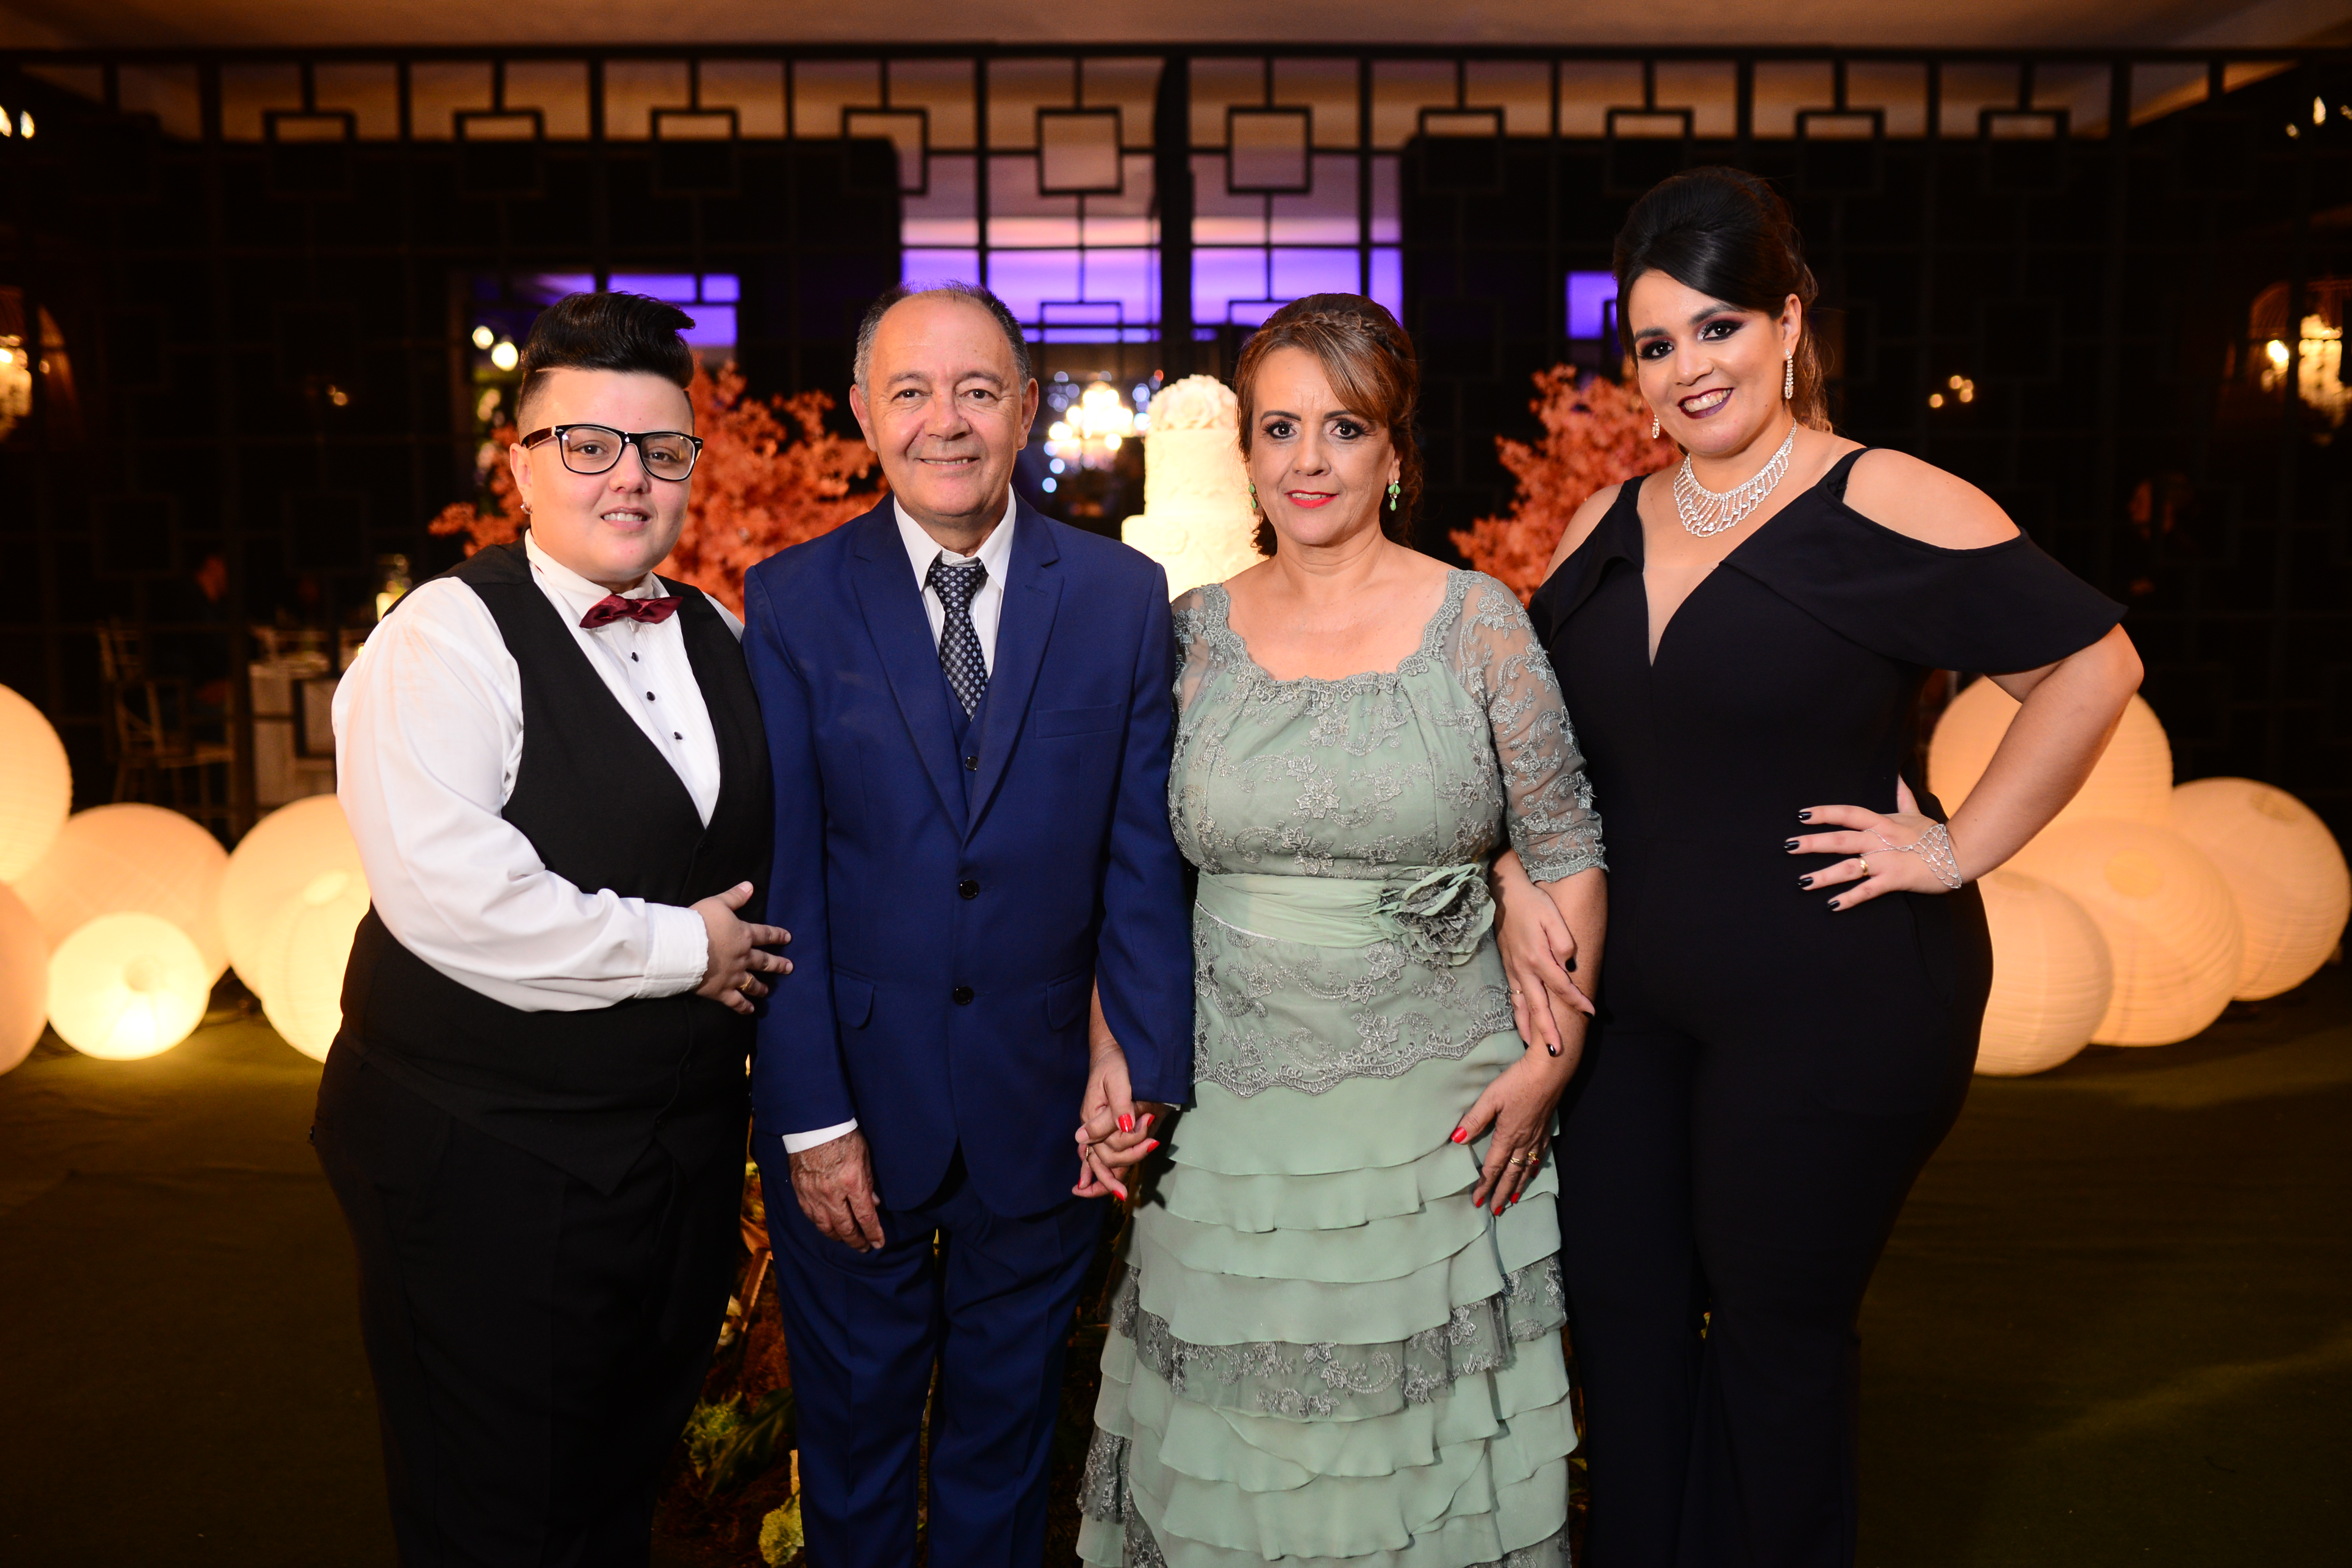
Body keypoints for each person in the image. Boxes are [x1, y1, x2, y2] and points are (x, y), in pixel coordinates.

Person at [1513, 167, 2144, 1567]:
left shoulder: (1886, 496)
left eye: (1720, 327)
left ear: (1790, 323)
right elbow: (1536, 743)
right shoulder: (1605, 523)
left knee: (1774, 1336)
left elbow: (2095, 666)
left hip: (1833, 999)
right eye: (1658, 343)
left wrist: (1960, 844)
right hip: (1625, 1009)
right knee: (1621, 1322)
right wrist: (1511, 875)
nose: (1689, 368)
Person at [1075, 294, 1608, 1568]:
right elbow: (1130, 875)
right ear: (1248, 453)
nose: (1308, 459)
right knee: (1239, 1462)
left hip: (1441, 1124)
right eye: (1280, 428)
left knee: (1421, 1468)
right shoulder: (1186, 634)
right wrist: (1110, 1050)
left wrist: (1554, 1064)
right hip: (1229, 1124)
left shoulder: (1481, 624)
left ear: (1395, 449)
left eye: (1345, 426)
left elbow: (1567, 845)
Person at [315, 292, 791, 1564]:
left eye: (662, 449)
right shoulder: (443, 638)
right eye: (588, 444)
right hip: (484, 1153)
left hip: (673, 1160)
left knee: (620, 1490)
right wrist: (687, 949)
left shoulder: (720, 630)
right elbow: (453, 894)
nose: (629, 477)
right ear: (519, 463)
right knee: (498, 1511)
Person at [741, 281, 1192, 1567]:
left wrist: (1137, 1064)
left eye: (979, 390)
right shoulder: (791, 601)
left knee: (1006, 1451)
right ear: (863, 413)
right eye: (911, 392)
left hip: (1044, 1106)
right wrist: (811, 1118)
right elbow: (786, 880)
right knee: (856, 1449)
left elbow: (1141, 858)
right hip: (853, 1112)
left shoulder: (1118, 596)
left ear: (1027, 408)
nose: (946, 422)